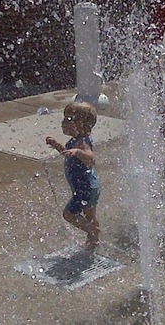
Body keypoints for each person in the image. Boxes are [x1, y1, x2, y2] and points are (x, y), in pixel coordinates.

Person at [46, 102, 101, 250]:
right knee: (90, 216)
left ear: (82, 124)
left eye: (69, 119)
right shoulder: (75, 141)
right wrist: (57, 145)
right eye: (64, 118)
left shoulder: (82, 143)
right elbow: (68, 153)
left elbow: (91, 158)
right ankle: (93, 240)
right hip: (90, 186)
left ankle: (92, 231)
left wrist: (77, 152)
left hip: (85, 188)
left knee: (69, 215)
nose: (64, 122)